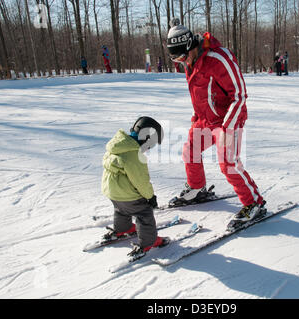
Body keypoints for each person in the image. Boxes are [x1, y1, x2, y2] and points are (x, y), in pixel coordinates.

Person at [166, 18, 265, 223]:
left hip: (228, 118)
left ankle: (253, 203)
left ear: (190, 46)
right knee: (189, 150)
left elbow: (239, 95)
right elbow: (200, 93)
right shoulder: (190, 61)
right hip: (206, 119)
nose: (182, 62)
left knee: (228, 163)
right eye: (177, 60)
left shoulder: (219, 58)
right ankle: (196, 189)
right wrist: (196, 119)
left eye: (182, 57)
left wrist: (228, 127)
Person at [101, 116, 168, 260]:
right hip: (127, 195)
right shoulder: (135, 155)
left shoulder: (117, 146)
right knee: (144, 213)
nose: (150, 148)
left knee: (122, 209)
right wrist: (150, 197)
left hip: (112, 192)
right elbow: (141, 181)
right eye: (152, 144)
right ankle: (149, 242)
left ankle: (122, 229)